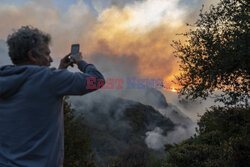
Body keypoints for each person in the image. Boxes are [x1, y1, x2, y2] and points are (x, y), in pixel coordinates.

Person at [0, 26, 105, 167]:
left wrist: (61, 70)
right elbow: (97, 80)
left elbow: (36, 93)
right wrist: (80, 61)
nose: (50, 59)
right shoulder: (50, 79)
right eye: (47, 54)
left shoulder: (5, 78)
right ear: (32, 55)